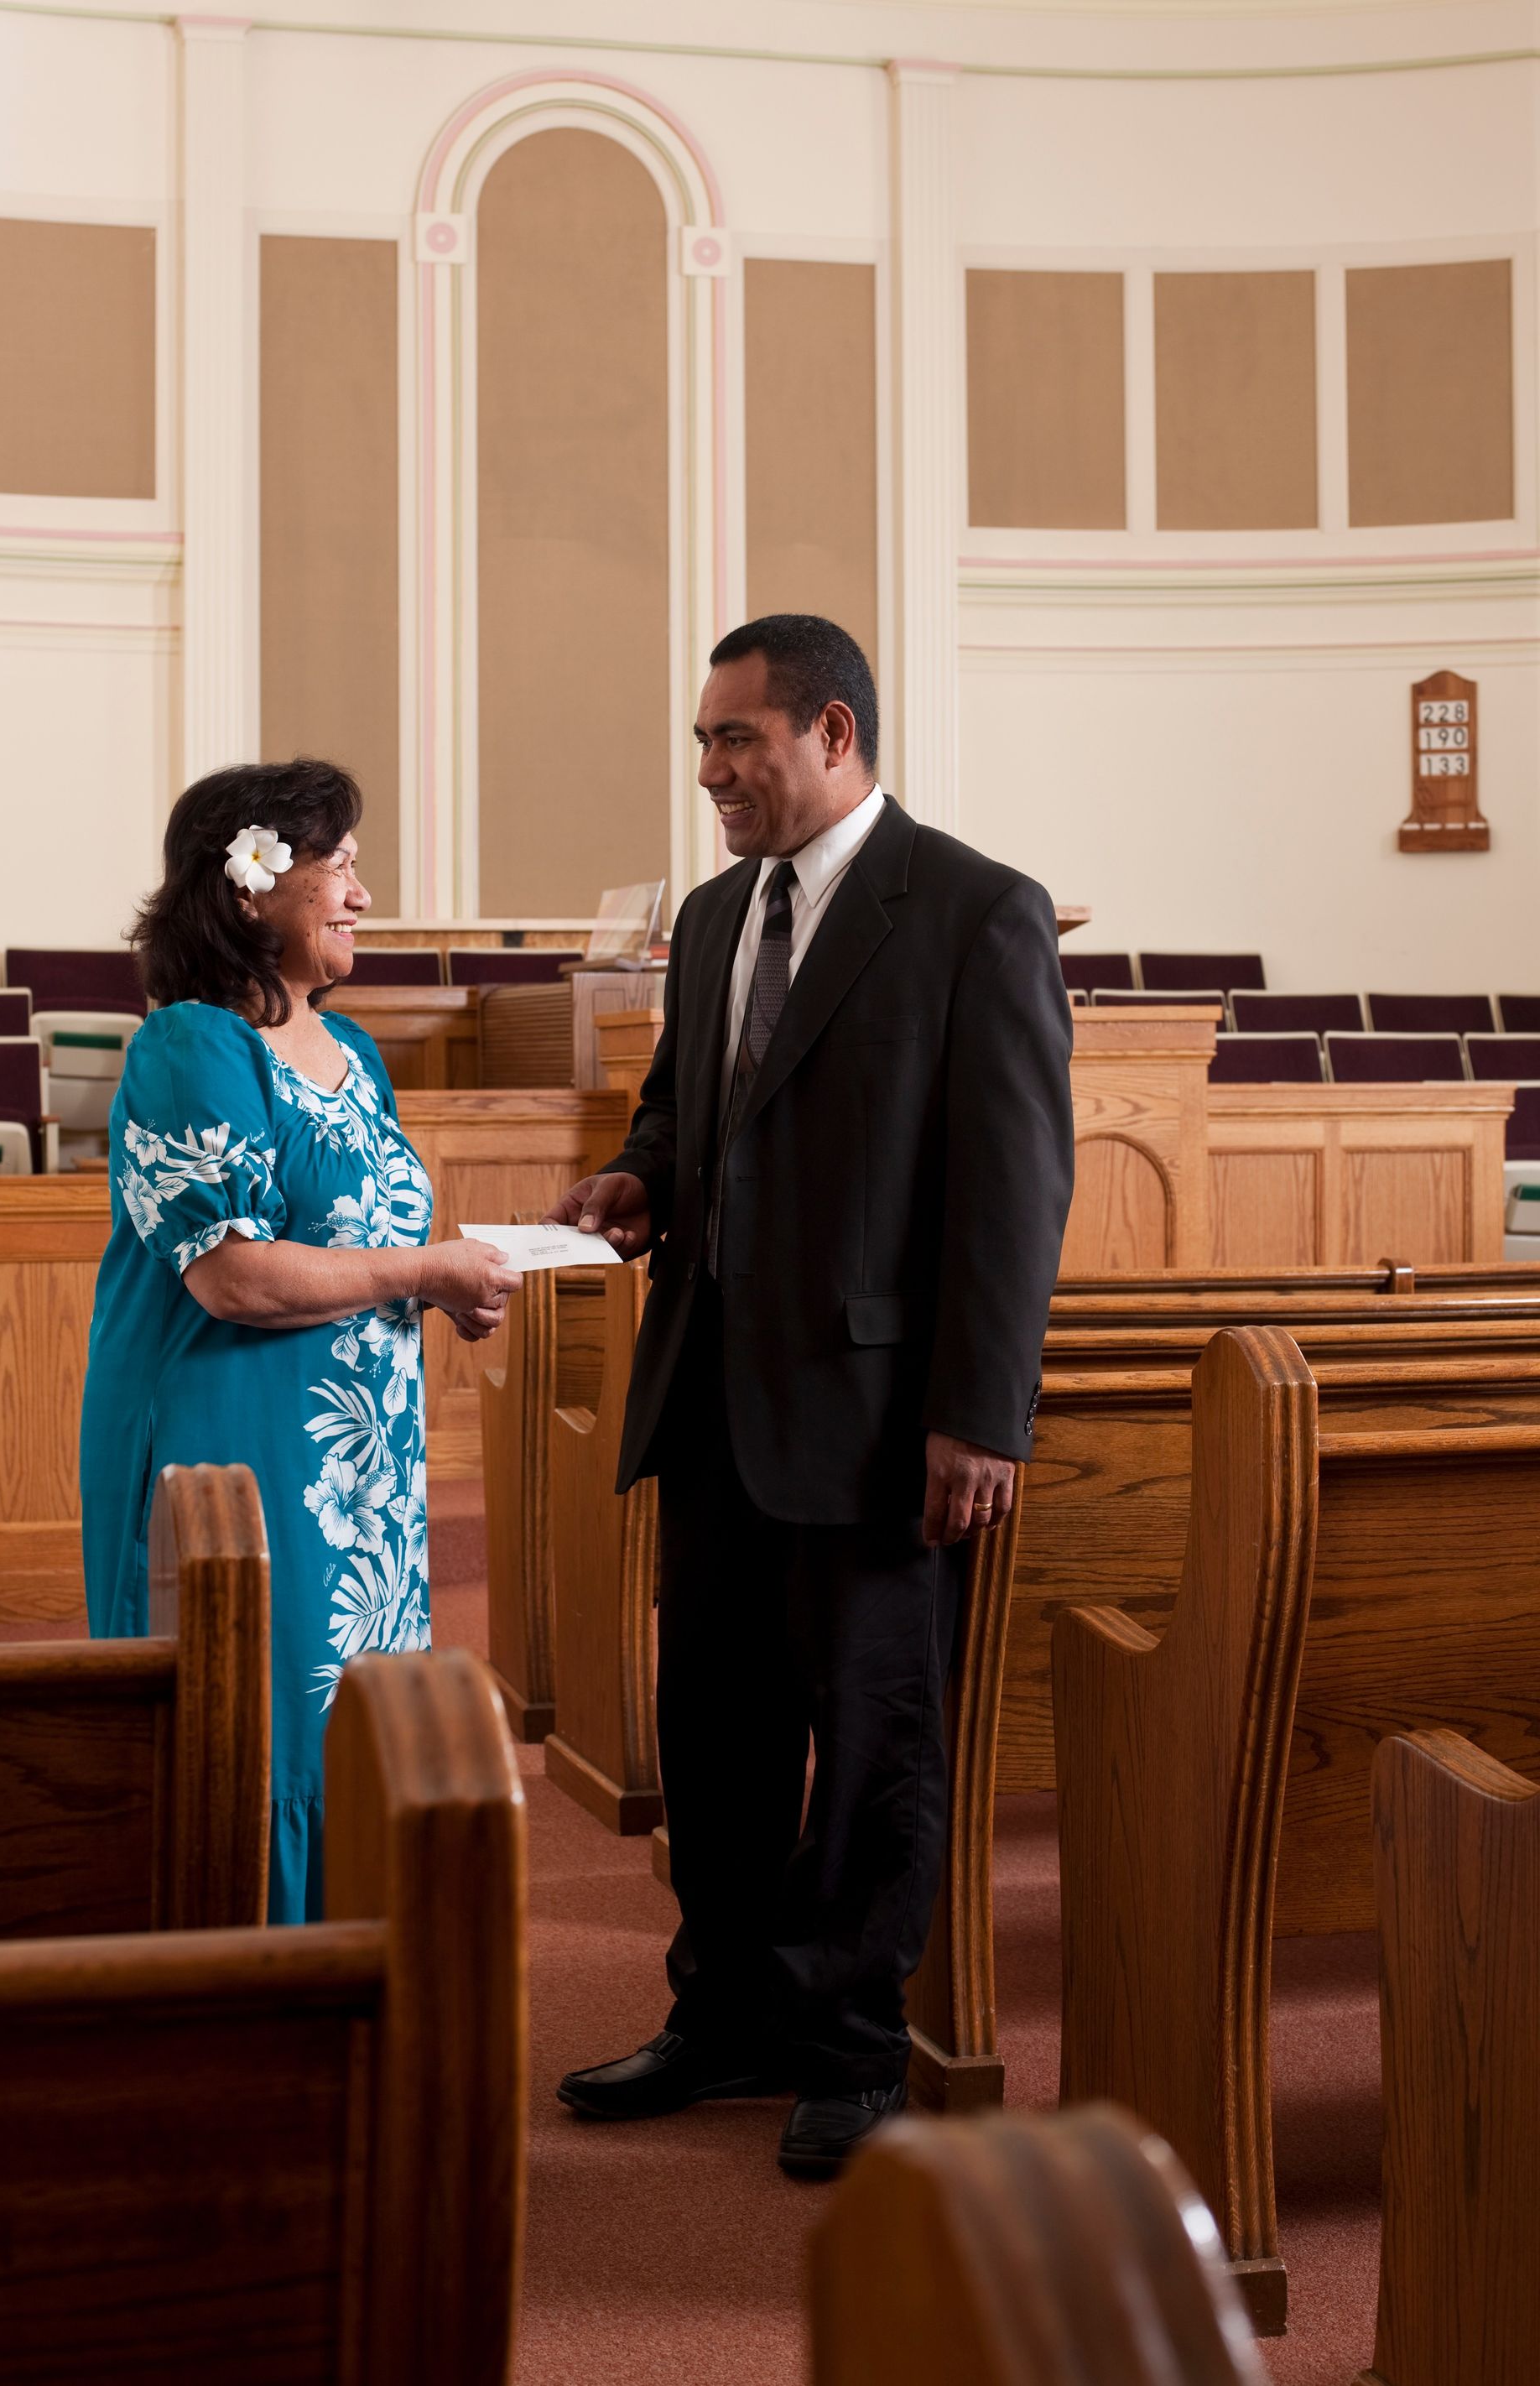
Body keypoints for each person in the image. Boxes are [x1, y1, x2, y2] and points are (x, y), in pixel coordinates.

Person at [546, 615, 1075, 2177]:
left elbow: (1013, 1189)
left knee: (872, 1740)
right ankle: (723, 2018)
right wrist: (638, 1179)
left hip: (876, 1419)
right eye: (704, 742)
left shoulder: (976, 911)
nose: (711, 770)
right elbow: (681, 1113)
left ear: (832, 734)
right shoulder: (714, 920)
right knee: (711, 1731)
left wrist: (980, 1416)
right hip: (706, 1397)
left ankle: (850, 2046)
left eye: (737, 741)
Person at [81, 758, 518, 1922]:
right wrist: (424, 1270)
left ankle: (350, 1988)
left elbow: (362, 1240)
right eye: (341, 865)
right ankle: (241, 2014)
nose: (362, 894)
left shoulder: (356, 1051)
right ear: (249, 885)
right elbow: (232, 1276)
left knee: (354, 1724)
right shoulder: (190, 1046)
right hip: (230, 1453)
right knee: (253, 1727)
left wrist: (444, 1288)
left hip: (359, 1468)